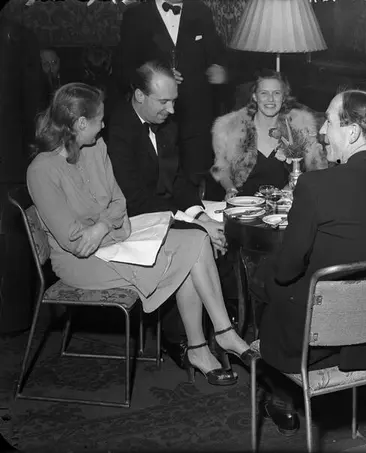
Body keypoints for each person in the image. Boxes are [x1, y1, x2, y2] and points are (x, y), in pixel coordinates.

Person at [27, 82, 257, 386]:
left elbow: (119, 203)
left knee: (197, 239)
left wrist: (102, 226)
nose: (104, 126)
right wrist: (112, 224)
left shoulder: (96, 148)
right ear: (81, 123)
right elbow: (77, 244)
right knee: (189, 257)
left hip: (116, 241)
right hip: (80, 264)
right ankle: (204, 346)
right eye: (99, 120)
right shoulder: (42, 170)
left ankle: (218, 335)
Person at [257, 89, 366, 435]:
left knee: (267, 279)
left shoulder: (316, 186)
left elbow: (287, 270)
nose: (323, 131)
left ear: (352, 132)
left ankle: (279, 394)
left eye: (329, 121)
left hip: (317, 345)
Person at [107, 60, 229, 368]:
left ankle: (203, 333)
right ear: (139, 96)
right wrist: (193, 224)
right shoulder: (116, 130)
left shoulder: (167, 124)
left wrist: (200, 216)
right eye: (164, 102)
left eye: (174, 101)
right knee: (197, 242)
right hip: (129, 220)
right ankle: (188, 337)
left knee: (221, 227)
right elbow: (134, 200)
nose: (172, 110)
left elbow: (178, 180)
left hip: (161, 209)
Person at [116, 0, 228, 200]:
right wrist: (159, 74)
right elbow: (125, 68)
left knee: (198, 182)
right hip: (156, 120)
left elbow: (218, 55)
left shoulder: (200, 11)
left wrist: (221, 71)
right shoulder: (135, 16)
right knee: (161, 182)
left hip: (196, 118)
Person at [211, 69, 328, 199]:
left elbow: (316, 169)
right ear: (255, 96)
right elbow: (221, 168)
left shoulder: (300, 128)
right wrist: (230, 190)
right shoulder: (230, 128)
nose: (270, 99)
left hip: (286, 205)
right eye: (264, 93)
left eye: (276, 93)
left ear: (284, 97)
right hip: (243, 204)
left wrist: (289, 190)